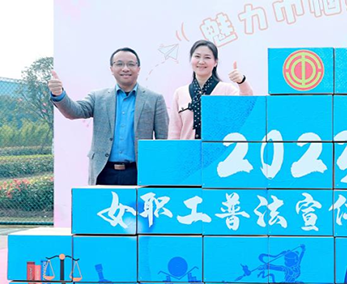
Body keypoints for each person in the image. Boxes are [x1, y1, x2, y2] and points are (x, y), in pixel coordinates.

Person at [48, 47, 168, 185]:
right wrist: (59, 94)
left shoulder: (155, 99)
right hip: (103, 172)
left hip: (140, 172)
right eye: (119, 64)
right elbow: (74, 111)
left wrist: (161, 176)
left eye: (130, 64)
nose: (125, 68)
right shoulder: (97, 97)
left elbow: (163, 139)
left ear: (138, 68)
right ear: (111, 69)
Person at [168, 40, 253, 139]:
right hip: (187, 148)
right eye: (197, 56)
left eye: (207, 57)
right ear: (191, 59)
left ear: (215, 62)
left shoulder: (226, 90)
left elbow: (246, 104)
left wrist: (241, 81)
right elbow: (174, 131)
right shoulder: (180, 93)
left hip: (218, 147)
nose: (201, 61)